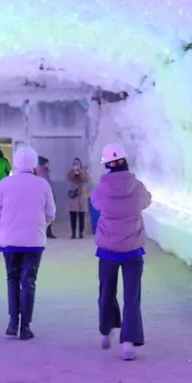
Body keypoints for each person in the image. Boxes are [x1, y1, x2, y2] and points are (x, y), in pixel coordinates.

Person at [88, 143, 152, 360]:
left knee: (106, 292)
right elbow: (147, 201)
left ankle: (106, 331)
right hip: (133, 249)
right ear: (126, 162)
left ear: (107, 166)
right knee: (132, 297)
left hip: (108, 250)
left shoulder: (100, 190)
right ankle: (128, 344)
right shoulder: (138, 187)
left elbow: (95, 204)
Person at [0, 145, 55, 340]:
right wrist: (41, 226)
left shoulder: (4, 184)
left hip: (9, 241)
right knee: (29, 281)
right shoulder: (43, 184)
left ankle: (12, 322)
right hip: (34, 241)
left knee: (12, 279)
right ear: (34, 163)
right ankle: (25, 327)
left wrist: (2, 228)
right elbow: (51, 212)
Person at [66, 158, 90, 239]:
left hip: (82, 198)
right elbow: (68, 177)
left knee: (81, 217)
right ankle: (73, 233)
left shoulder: (83, 172)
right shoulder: (70, 172)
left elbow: (86, 179)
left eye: (78, 164)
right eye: (75, 164)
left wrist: (80, 171)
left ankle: (81, 233)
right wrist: (74, 171)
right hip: (73, 197)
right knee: (73, 216)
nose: (76, 165)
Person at [38, 155, 57, 239]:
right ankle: (47, 231)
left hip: (45, 195)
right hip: (45, 195)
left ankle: (47, 231)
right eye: (47, 163)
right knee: (47, 213)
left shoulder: (42, 171)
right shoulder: (42, 171)